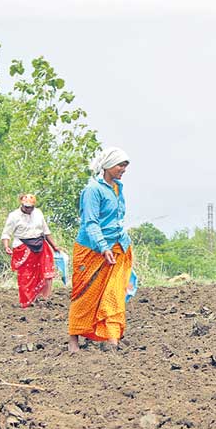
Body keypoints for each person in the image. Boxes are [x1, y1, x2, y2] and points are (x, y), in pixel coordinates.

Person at [67, 147, 133, 353]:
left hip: (117, 246)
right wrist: (103, 247)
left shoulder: (117, 188)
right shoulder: (93, 190)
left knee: (113, 293)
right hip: (92, 249)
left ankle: (112, 339)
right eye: (120, 165)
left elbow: (118, 220)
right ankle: (73, 339)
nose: (123, 169)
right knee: (84, 294)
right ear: (107, 166)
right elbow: (91, 223)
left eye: (125, 165)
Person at [1, 194, 61, 308]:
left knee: (46, 272)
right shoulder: (14, 216)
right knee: (26, 275)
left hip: (40, 244)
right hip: (24, 246)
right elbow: (6, 233)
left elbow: (46, 231)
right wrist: (6, 246)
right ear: (22, 205)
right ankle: (28, 301)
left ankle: (44, 299)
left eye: (30, 207)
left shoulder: (38, 213)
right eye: (26, 207)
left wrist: (54, 246)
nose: (28, 209)